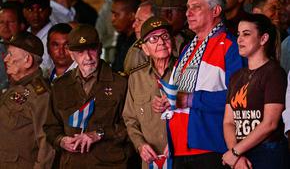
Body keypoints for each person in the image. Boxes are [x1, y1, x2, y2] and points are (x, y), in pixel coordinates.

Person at [152, 0, 244, 168]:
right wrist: (167, 101)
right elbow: (180, 95)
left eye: (196, 7)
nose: (188, 13)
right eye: (187, 7)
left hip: (210, 146)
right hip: (178, 146)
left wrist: (189, 99)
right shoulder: (188, 48)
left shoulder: (231, 46)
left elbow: (239, 99)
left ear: (216, 11)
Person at [44, 24, 133, 168]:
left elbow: (131, 125)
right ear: (71, 54)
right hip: (72, 164)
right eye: (80, 52)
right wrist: (61, 140)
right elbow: (50, 127)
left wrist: (99, 134)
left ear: (99, 49)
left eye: (92, 49)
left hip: (109, 164)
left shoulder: (120, 84)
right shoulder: (60, 86)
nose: (88, 57)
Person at [223, 13, 289, 169]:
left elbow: (270, 123)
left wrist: (235, 152)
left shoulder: (274, 72)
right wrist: (236, 155)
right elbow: (228, 122)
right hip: (242, 155)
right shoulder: (236, 76)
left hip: (268, 153)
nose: (239, 39)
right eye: (238, 34)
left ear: (263, 39)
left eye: (246, 34)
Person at [123, 17, 174, 169]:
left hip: (182, 158)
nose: (161, 42)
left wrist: (177, 141)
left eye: (165, 36)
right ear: (145, 49)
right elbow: (130, 119)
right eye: (153, 39)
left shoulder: (185, 70)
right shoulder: (136, 78)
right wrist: (140, 145)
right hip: (150, 161)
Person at [0, 31, 55, 168]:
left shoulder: (40, 95)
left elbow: (47, 144)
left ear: (28, 60)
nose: (5, 59)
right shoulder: (16, 86)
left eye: (11, 55)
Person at [23, 0, 54, 78]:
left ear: (50, 11)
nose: (36, 15)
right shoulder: (23, 36)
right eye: (30, 9)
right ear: (24, 12)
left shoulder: (56, 36)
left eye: (41, 9)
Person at [111, 0, 140, 73]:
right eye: (112, 14)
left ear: (131, 16)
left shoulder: (139, 41)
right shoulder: (122, 37)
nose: (112, 19)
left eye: (116, 15)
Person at [123, 0, 154, 75]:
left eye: (139, 21)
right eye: (135, 20)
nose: (134, 25)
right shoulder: (138, 51)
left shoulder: (139, 52)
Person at [0, 1, 25, 91]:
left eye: (11, 22)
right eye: (1, 22)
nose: (5, 26)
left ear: (21, 25)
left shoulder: (29, 50)